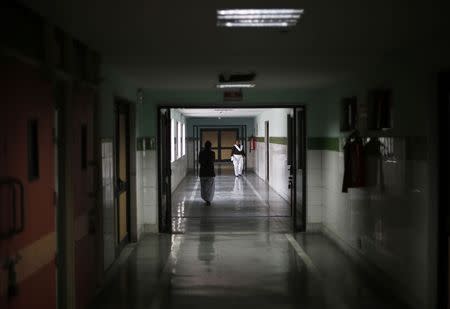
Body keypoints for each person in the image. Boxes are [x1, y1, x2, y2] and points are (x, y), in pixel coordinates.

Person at [198, 140, 215, 205]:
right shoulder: (212, 153)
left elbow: (199, 161)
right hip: (210, 172)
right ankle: (208, 200)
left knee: (203, 186)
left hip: (203, 172)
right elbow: (213, 161)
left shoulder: (201, 153)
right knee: (210, 187)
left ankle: (205, 198)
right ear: (210, 146)